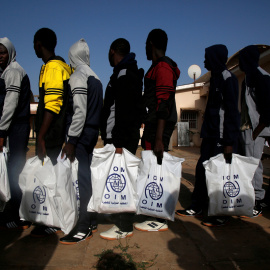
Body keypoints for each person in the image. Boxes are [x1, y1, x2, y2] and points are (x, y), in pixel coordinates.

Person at [176, 44, 240, 226]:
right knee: (202, 171)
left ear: (216, 57)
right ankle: (197, 206)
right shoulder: (214, 79)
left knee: (219, 176)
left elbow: (232, 113)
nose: (204, 61)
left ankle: (221, 213)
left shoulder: (229, 79)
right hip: (209, 136)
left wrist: (229, 141)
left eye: (207, 57)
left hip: (221, 138)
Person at [134, 29, 180, 232]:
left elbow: (163, 104)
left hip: (159, 127)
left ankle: (158, 217)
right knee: (151, 167)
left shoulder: (163, 67)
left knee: (156, 170)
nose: (144, 48)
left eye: (145, 44)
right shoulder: (155, 67)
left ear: (151, 44)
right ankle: (151, 209)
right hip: (153, 125)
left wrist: (160, 138)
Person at [59, 39, 103, 244]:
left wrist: (71, 140)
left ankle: (83, 226)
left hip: (82, 134)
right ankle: (91, 219)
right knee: (87, 177)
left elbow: (79, 111)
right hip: (92, 133)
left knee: (83, 180)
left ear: (72, 57)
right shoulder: (96, 76)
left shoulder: (78, 76)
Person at [99, 38, 144, 240]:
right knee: (120, 179)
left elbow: (124, 112)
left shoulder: (125, 73)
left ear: (112, 51)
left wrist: (118, 144)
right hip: (120, 137)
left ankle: (124, 226)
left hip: (121, 139)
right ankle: (121, 219)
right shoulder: (123, 71)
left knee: (123, 180)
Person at [31, 28, 72, 237]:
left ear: (39, 44)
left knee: (52, 179)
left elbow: (52, 105)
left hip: (53, 134)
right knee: (53, 178)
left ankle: (54, 221)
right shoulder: (57, 66)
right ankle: (51, 219)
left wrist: (41, 137)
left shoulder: (54, 68)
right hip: (55, 133)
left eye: (34, 44)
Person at [0, 37, 31, 230]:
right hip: (12, 128)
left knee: (13, 172)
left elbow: (10, 104)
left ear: (10, 52)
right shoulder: (5, 72)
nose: (0, 57)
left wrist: (2, 131)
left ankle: (18, 217)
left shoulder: (13, 71)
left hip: (15, 129)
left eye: (2, 53)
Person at [239, 45, 270, 217]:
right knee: (252, 164)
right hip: (251, 127)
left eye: (242, 60)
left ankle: (257, 200)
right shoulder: (248, 78)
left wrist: (255, 131)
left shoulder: (261, 77)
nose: (240, 64)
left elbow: (267, 108)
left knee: (254, 165)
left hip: (258, 128)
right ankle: (258, 197)